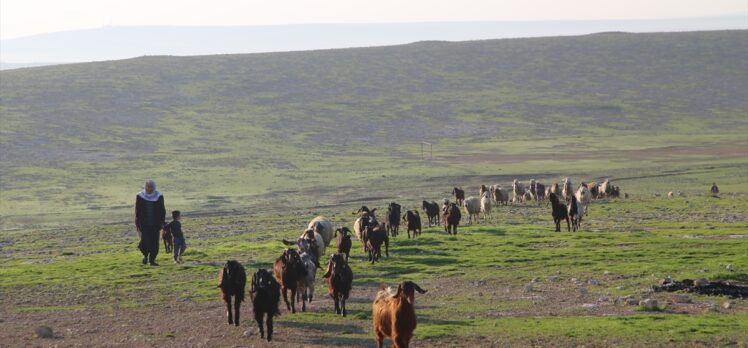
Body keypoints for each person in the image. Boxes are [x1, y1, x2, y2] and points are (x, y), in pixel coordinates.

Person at [135, 179, 166, 266]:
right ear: (145, 187)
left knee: (154, 243)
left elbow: (162, 210)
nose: (150, 188)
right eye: (148, 187)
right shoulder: (140, 196)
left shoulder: (159, 196)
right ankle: (145, 255)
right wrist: (137, 224)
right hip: (144, 224)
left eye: (151, 187)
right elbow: (137, 211)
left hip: (155, 224)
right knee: (145, 242)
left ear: (154, 187)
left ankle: (152, 260)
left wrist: (162, 222)